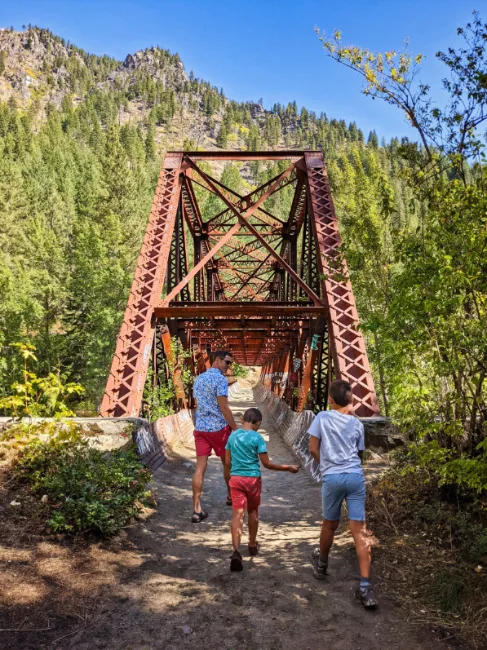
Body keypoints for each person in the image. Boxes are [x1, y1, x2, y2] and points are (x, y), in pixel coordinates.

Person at [308, 379, 378, 608]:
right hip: (355, 477)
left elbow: (312, 448)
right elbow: (359, 455)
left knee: (329, 524)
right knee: (359, 530)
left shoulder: (322, 418)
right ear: (351, 400)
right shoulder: (357, 424)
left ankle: (322, 565)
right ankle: (365, 587)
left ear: (330, 400)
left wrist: (325, 465)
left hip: (333, 477)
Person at [225, 407, 299, 572]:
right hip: (252, 480)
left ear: (243, 420)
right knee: (252, 512)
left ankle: (236, 550)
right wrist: (287, 468)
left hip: (236, 479)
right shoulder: (257, 438)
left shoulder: (233, 436)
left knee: (237, 514)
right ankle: (252, 544)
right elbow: (267, 464)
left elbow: (227, 462)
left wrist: (233, 475)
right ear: (258, 423)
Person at [192, 350, 238, 523]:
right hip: (219, 429)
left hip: (201, 428)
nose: (229, 367)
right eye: (228, 363)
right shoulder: (220, 379)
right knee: (227, 462)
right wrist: (235, 427)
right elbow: (224, 408)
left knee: (200, 468)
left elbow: (198, 403)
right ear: (218, 361)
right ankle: (230, 495)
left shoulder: (199, 379)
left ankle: (196, 509)